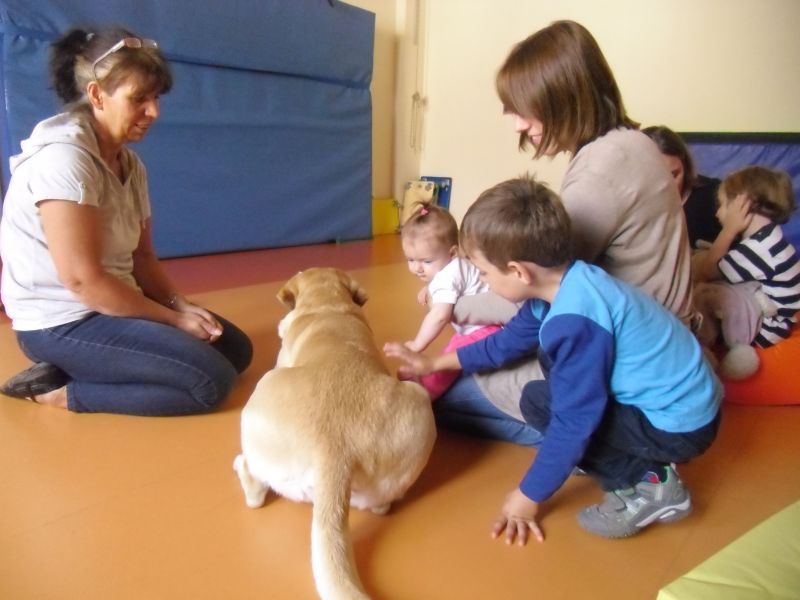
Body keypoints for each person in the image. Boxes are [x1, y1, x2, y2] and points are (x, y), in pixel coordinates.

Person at [385, 176, 722, 542]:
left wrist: (528, 495)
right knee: (537, 399)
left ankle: (652, 485)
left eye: (482, 272)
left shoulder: (576, 320)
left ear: (518, 271)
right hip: (684, 400)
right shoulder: (562, 286)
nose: (481, 279)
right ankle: (619, 460)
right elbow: (506, 344)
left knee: (557, 414)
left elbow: (574, 419)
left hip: (680, 424)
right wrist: (434, 365)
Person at [434, 20, 694, 446]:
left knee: (446, 397)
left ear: (563, 99)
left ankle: (608, 443)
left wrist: (457, 305)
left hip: (639, 360)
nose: (517, 124)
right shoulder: (632, 142)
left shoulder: (601, 170)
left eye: (523, 109)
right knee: (476, 355)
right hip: (665, 337)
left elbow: (536, 288)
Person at [0, 26, 253, 415]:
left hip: (110, 303)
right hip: (61, 321)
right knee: (210, 382)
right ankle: (59, 391)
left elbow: (143, 258)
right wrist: (172, 321)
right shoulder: (63, 161)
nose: (154, 111)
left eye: (155, 98)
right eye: (140, 99)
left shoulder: (129, 163)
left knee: (235, 352)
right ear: (97, 95)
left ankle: (105, 363)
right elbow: (82, 281)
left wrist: (179, 306)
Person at [693, 166, 800, 379]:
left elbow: (706, 271)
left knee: (707, 292)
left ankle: (720, 347)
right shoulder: (767, 239)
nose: (717, 212)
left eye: (723, 205)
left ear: (743, 206)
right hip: (772, 314)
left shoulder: (758, 248)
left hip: (767, 332)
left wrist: (728, 230)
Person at [399, 202, 502, 400]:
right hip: (495, 322)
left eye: (426, 261)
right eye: (410, 260)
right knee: (453, 347)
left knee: (451, 357)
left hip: (486, 330)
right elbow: (454, 280)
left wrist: (418, 344)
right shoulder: (458, 264)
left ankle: (425, 395)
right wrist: (429, 286)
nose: (417, 268)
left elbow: (439, 316)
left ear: (453, 252)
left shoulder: (446, 278)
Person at [642, 125, 723, 249]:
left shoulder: (714, 195)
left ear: (685, 165)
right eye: (658, 177)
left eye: (674, 174)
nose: (668, 186)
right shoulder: (630, 207)